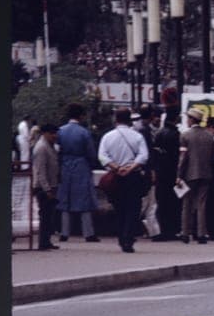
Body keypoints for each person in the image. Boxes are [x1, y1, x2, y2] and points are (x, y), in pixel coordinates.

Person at [97, 107, 151, 253]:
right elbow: (144, 156)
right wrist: (131, 167)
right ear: (129, 120)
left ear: (115, 119)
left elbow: (102, 156)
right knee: (133, 208)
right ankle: (128, 237)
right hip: (133, 176)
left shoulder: (108, 136)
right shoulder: (137, 136)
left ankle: (122, 236)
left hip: (115, 177)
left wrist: (116, 167)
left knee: (119, 208)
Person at [56, 103, 101, 243]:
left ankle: (64, 232)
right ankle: (88, 233)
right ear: (81, 116)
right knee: (84, 199)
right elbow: (91, 153)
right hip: (81, 166)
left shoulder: (60, 131)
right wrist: (91, 164)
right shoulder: (84, 132)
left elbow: (57, 151)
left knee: (65, 199)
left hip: (65, 165)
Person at [175, 107, 214, 244]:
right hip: (206, 174)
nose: (187, 120)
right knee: (201, 204)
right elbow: (213, 158)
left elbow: (183, 158)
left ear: (192, 119)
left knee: (187, 204)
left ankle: (185, 232)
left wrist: (179, 175)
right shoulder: (209, 136)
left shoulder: (185, 136)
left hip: (189, 174)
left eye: (188, 118)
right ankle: (201, 234)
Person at [151, 110, 182, 242]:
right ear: (175, 119)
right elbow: (177, 155)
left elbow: (154, 152)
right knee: (173, 202)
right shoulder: (176, 134)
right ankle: (172, 230)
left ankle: (162, 229)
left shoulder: (159, 133)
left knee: (161, 201)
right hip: (171, 172)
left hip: (160, 171)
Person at [30, 123, 60, 250]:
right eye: (52, 133)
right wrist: (47, 189)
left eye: (56, 133)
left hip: (51, 184)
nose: (55, 135)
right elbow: (40, 171)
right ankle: (43, 242)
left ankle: (46, 241)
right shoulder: (41, 147)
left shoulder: (50, 146)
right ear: (45, 133)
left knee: (49, 215)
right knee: (45, 215)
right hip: (43, 187)